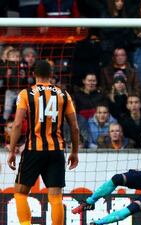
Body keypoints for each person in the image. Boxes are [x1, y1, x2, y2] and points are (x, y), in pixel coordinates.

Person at [6, 60, 80, 225]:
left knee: (20, 193)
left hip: (33, 149)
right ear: (51, 75)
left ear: (34, 75)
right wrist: (75, 152)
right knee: (55, 197)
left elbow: (17, 124)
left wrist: (12, 151)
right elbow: (74, 128)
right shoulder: (63, 94)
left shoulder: (26, 94)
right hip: (56, 150)